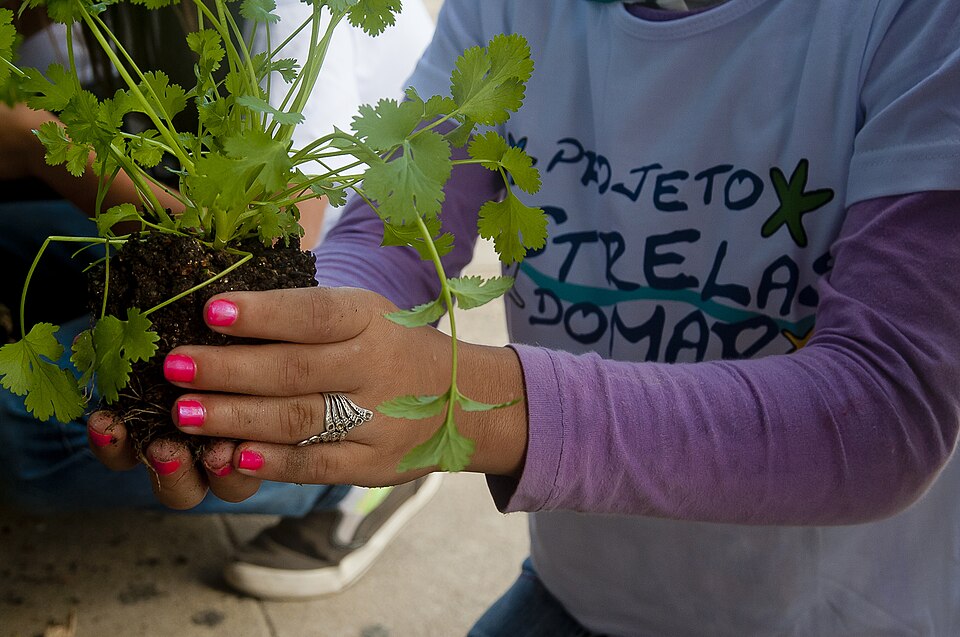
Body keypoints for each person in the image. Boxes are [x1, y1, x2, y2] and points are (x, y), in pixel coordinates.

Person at [87, 0, 960, 634]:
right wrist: (304, 358)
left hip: (839, 615)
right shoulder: (508, 14)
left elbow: (887, 407)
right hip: (585, 594)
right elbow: (395, 230)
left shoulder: (914, 22)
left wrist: (465, 408)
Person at [0, 0, 440, 600]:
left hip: (330, 289)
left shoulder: (292, 14)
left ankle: (360, 470)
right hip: (191, 245)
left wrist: (32, 140)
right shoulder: (85, 22)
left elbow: (281, 226)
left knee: (15, 437)